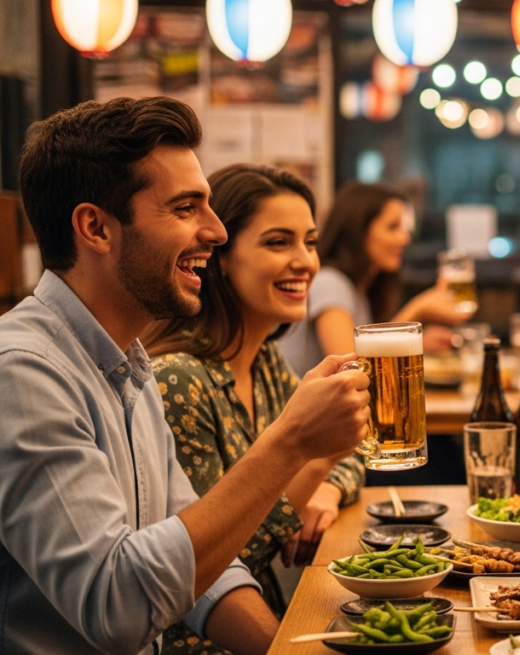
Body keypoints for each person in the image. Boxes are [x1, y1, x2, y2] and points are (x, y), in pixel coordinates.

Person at [0, 96, 370, 654]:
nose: (216, 232)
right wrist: (291, 443)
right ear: (95, 227)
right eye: (185, 208)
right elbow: (117, 606)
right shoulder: (23, 375)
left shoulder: (129, 366)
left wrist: (287, 650)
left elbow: (201, 574)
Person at [141, 164, 366, 654]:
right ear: (220, 257)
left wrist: (326, 486)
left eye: (309, 241)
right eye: (278, 242)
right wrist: (319, 457)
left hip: (280, 614)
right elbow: (212, 562)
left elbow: (353, 454)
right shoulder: (179, 380)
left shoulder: (264, 362)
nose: (306, 262)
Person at [278, 182, 470, 375]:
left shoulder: (360, 289)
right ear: (358, 230)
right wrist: (416, 311)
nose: (404, 238)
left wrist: (421, 344)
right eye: (393, 227)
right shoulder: (330, 282)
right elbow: (355, 370)